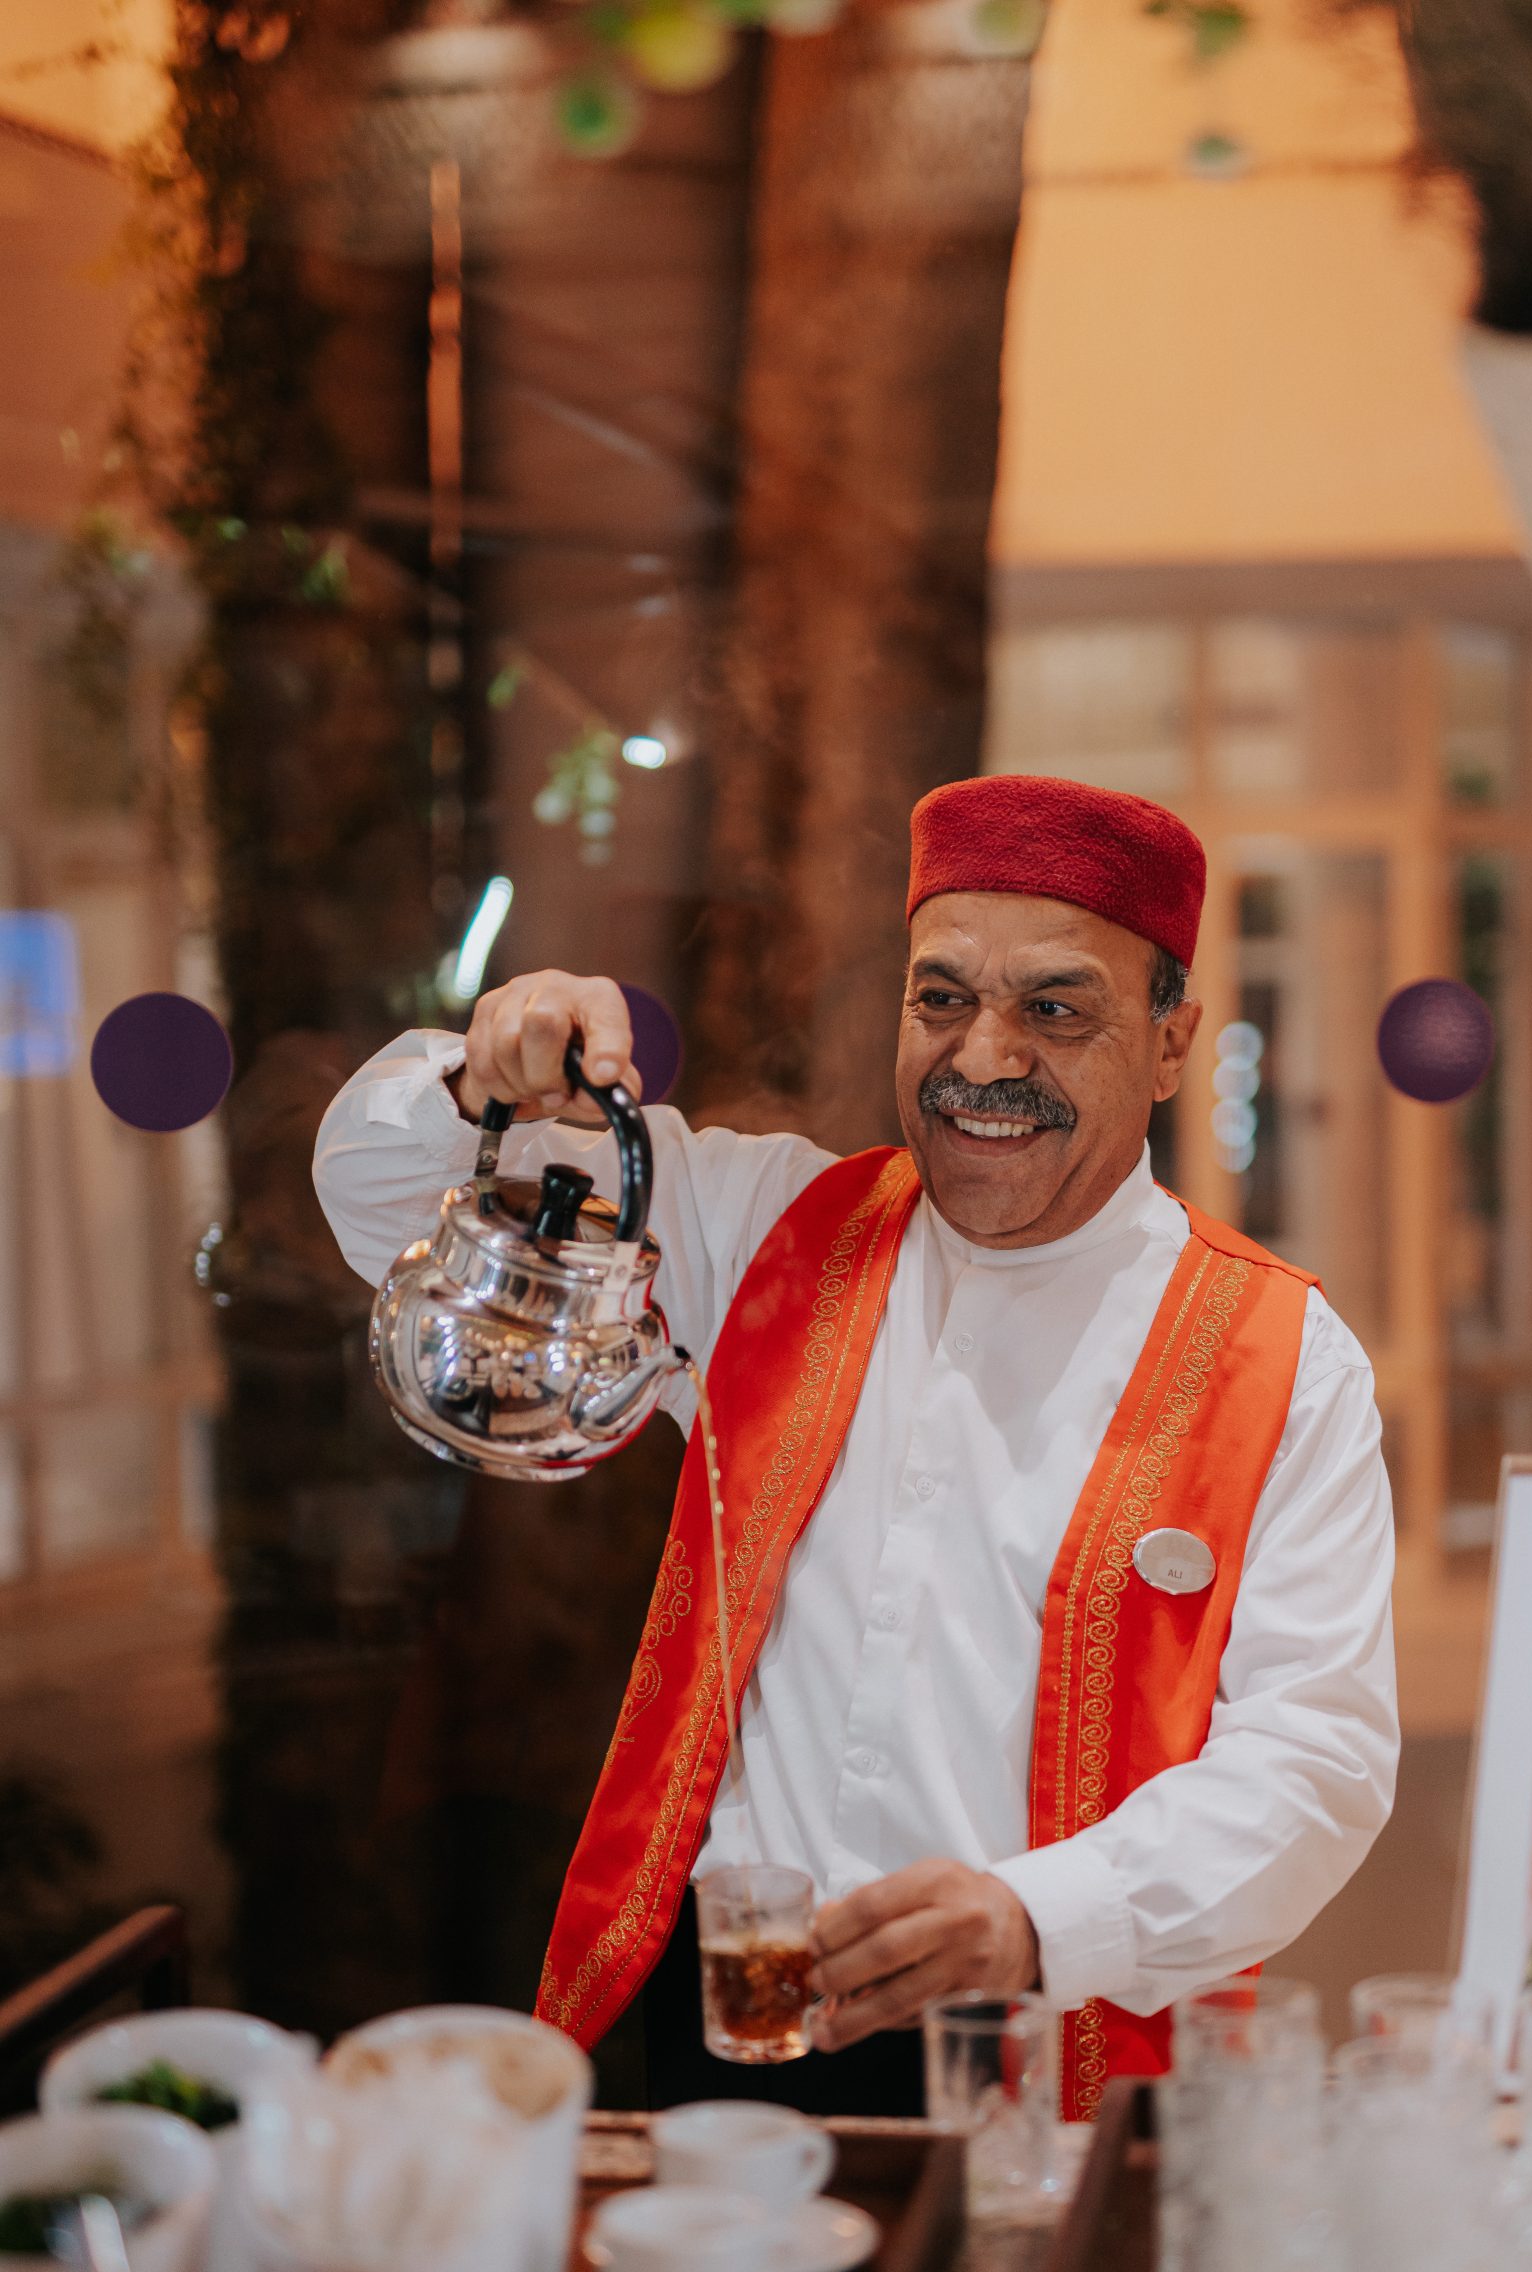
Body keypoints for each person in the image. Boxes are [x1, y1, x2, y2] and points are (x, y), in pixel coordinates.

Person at [314, 774, 1398, 2119]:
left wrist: (1033, 1916)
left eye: (1055, 1010)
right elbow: (376, 1199)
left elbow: (1318, 1758)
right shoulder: (765, 1230)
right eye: (942, 998)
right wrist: (484, 1076)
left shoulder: (1280, 1360)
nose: (983, 1058)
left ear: (1171, 1046)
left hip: (1042, 2043)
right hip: (735, 2012)